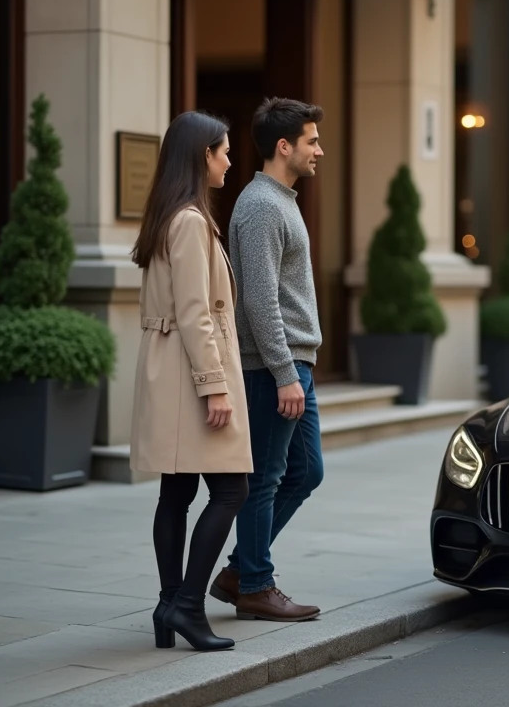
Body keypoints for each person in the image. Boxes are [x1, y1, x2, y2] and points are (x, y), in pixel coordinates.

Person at [130, 111, 253, 652]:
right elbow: (195, 311)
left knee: (177, 490)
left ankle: (167, 604)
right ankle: (186, 605)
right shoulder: (190, 221)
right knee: (231, 488)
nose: (230, 160)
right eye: (223, 151)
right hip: (190, 373)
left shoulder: (168, 216)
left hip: (173, 369)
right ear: (202, 155)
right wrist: (215, 385)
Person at [209, 98, 325, 622]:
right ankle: (255, 585)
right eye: (312, 141)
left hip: (296, 363)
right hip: (273, 368)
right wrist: (284, 374)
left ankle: (240, 569)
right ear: (285, 147)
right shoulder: (259, 206)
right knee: (268, 478)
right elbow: (259, 299)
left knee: (306, 472)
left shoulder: (282, 200)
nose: (319, 149)